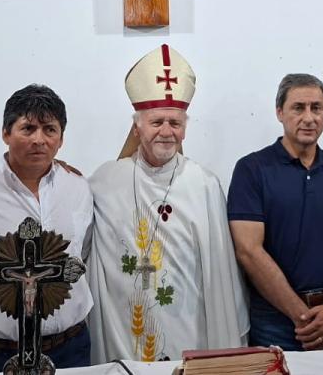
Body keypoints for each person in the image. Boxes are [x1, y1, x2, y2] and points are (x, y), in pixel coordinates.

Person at [88, 45, 248, 363]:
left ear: (185, 128)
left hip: (190, 322)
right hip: (124, 329)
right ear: (137, 128)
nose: (166, 132)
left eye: (175, 123)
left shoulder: (204, 184)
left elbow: (220, 270)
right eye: (156, 121)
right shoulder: (105, 182)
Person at [227, 74, 323, 351]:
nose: (309, 118)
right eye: (298, 108)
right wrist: (303, 318)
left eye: (316, 108)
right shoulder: (252, 170)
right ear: (279, 112)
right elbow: (248, 251)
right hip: (276, 322)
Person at [0, 84, 94, 372]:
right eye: (28, 128)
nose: (39, 140)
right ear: (6, 133)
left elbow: (80, 254)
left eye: (49, 130)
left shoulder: (79, 187)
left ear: (61, 139)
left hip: (71, 348)